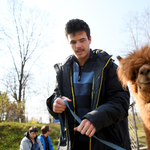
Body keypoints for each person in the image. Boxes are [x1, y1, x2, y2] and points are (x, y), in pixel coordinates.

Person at [46, 18, 131, 150]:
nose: (78, 46)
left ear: (90, 39)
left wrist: (95, 119)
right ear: (68, 43)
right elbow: (56, 98)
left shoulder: (109, 66)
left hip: (106, 145)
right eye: (73, 42)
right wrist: (54, 104)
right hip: (73, 146)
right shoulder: (62, 71)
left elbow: (122, 101)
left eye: (82, 40)